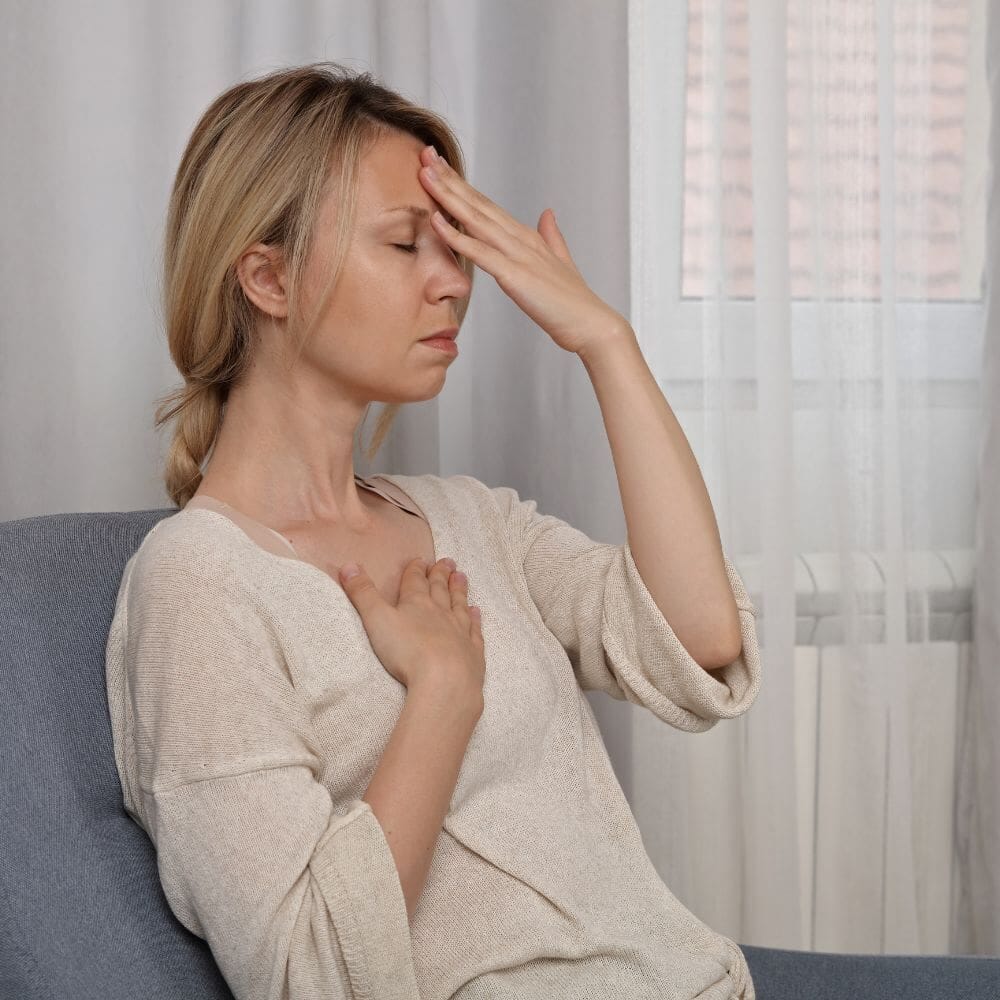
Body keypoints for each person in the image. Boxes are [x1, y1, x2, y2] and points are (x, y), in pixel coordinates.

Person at [104, 61, 763, 1000]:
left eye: (456, 249)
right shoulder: (199, 587)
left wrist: (606, 344)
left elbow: (697, 640)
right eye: (409, 244)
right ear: (268, 277)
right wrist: (444, 691)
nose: (455, 283)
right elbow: (307, 977)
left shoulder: (467, 518)